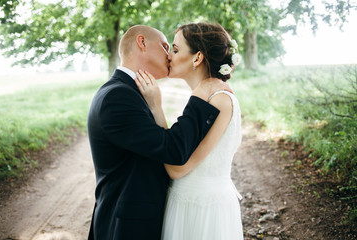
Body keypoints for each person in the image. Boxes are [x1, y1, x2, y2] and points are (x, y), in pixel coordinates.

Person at [87, 25, 230, 240]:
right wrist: (201, 95)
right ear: (142, 43)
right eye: (166, 47)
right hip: (126, 228)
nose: (170, 55)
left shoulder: (128, 91)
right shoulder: (117, 97)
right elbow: (173, 150)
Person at [135, 22, 244, 239]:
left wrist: (156, 107)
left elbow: (177, 168)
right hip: (201, 203)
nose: (169, 57)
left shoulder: (213, 96)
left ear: (197, 58)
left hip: (201, 210)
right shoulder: (212, 92)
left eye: (175, 50)